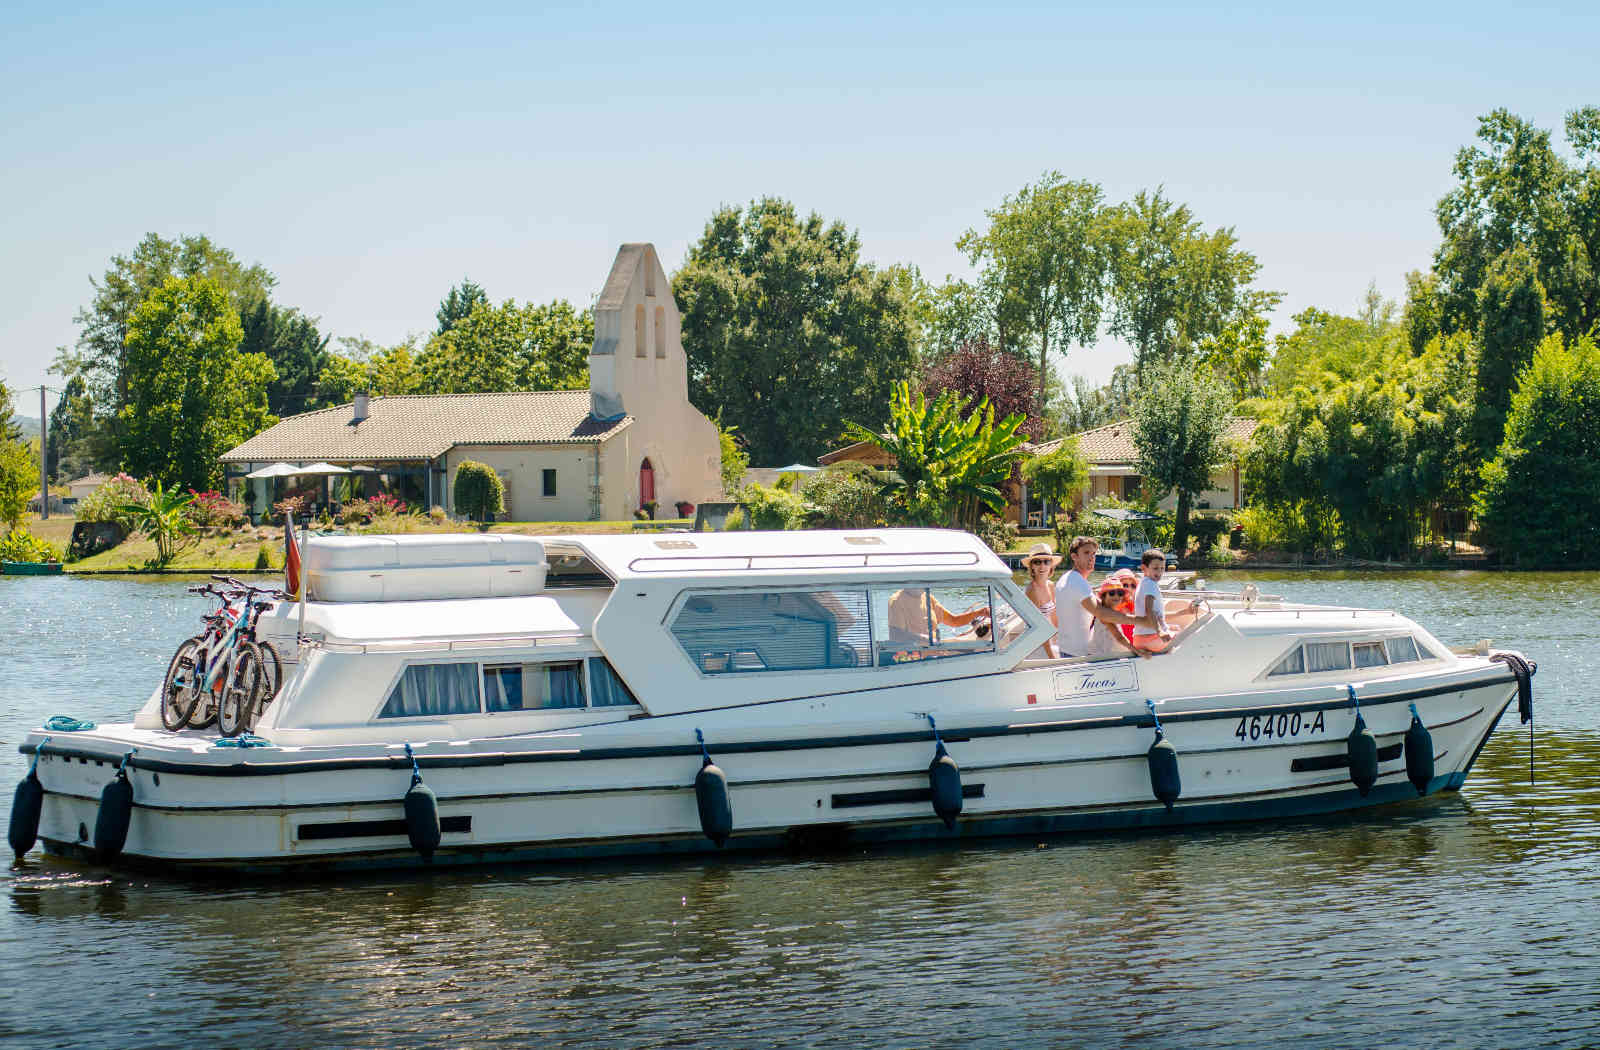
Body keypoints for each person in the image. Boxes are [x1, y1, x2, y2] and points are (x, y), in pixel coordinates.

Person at [1053, 536, 1138, 657]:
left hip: (1067, 650)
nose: (1092, 557)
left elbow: (1101, 606)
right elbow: (1102, 614)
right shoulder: (1077, 582)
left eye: (1094, 553)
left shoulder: (1068, 578)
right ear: (1074, 556)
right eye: (1086, 553)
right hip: (1078, 656)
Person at [1087, 578, 1147, 659]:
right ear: (1104, 596)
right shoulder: (1105, 614)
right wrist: (1137, 651)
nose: (1116, 596)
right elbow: (1119, 637)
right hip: (1101, 658)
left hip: (1106, 655)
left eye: (1120, 593)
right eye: (1112, 593)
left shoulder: (1110, 612)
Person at [1022, 542, 1062, 658]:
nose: (1042, 566)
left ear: (1051, 565)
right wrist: (1051, 656)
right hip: (1037, 644)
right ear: (1032, 566)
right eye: (1037, 562)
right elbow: (1040, 628)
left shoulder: (1051, 585)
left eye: (1046, 561)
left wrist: (1060, 639)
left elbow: (1054, 617)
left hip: (1049, 640)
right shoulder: (1032, 590)